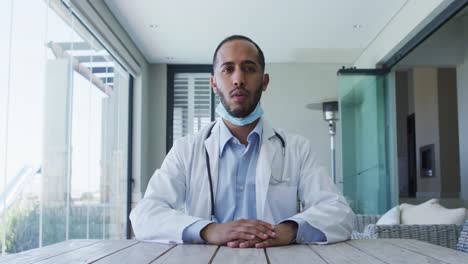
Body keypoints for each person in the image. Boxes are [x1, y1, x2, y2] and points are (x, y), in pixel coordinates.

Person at [130, 35, 355, 248]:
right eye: (228, 69)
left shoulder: (296, 148)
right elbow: (145, 215)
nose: (238, 79)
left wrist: (287, 231)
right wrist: (209, 230)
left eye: (249, 69)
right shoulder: (186, 150)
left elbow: (339, 213)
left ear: (264, 81)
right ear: (214, 83)